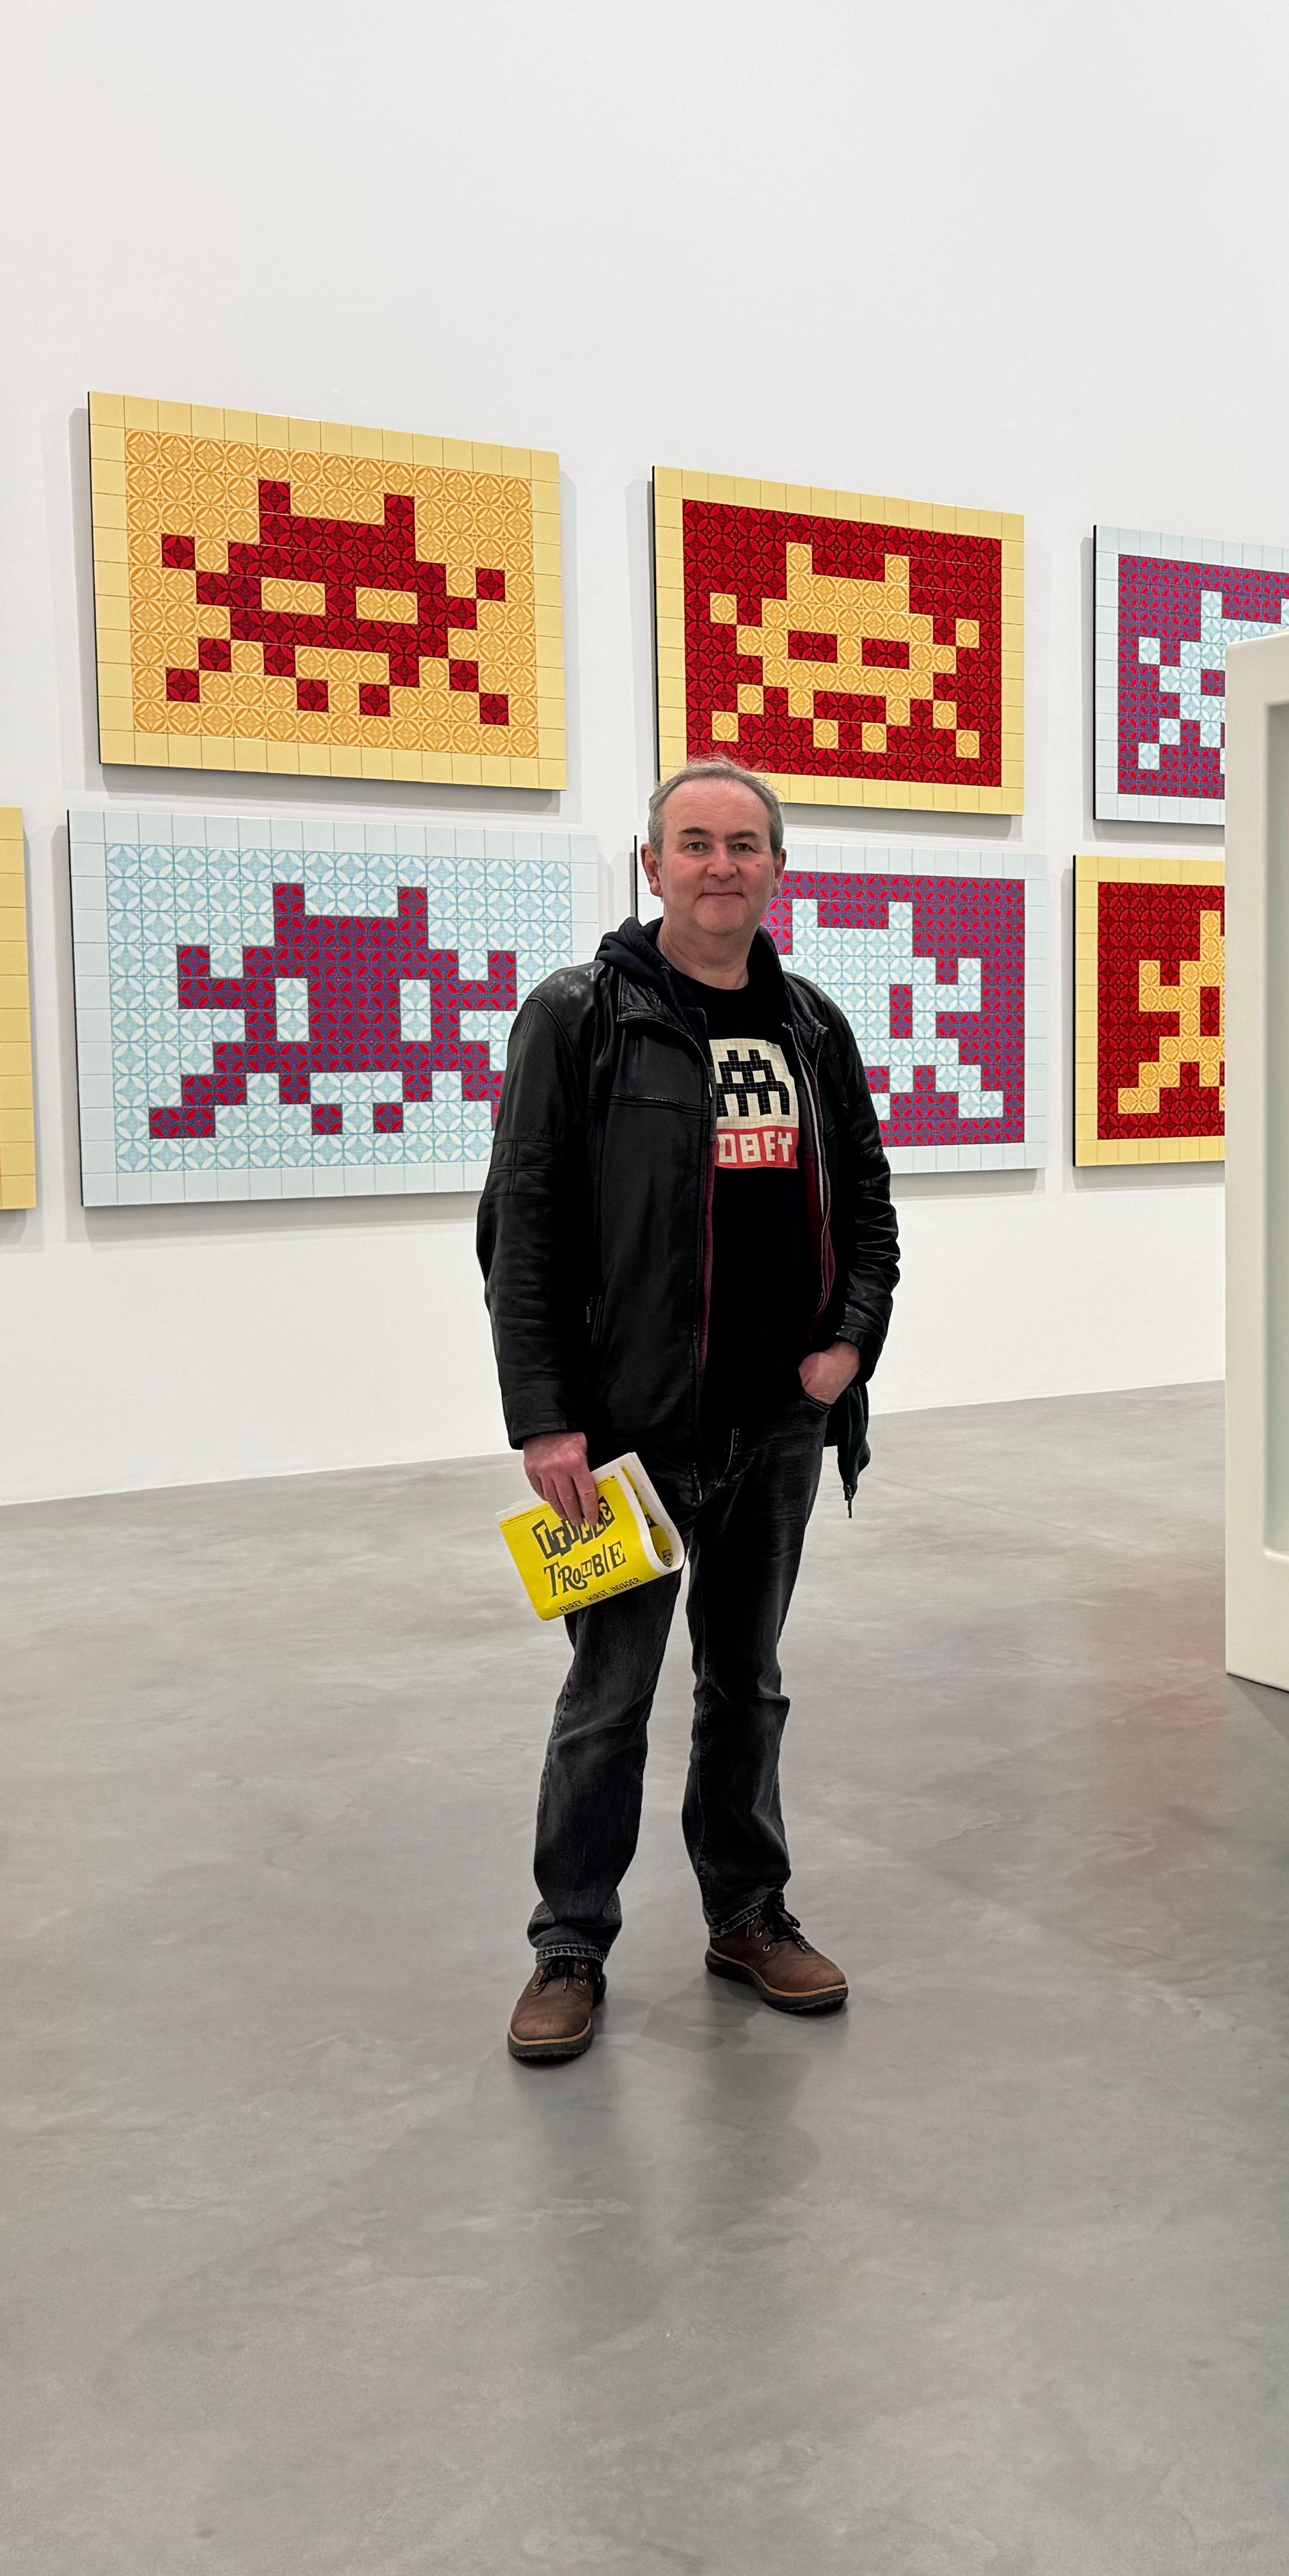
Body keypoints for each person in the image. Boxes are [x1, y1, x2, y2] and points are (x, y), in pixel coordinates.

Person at [476, 762, 899, 2065]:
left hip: (776, 1425)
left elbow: (869, 1207)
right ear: (651, 865)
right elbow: (523, 1228)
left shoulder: (812, 1026)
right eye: (697, 843)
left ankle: (748, 1914)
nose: (723, 865)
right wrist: (547, 1419)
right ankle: (569, 1944)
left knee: (747, 1686)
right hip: (626, 1438)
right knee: (609, 1697)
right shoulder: (579, 1016)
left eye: (746, 844)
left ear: (778, 869)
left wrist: (844, 1351)